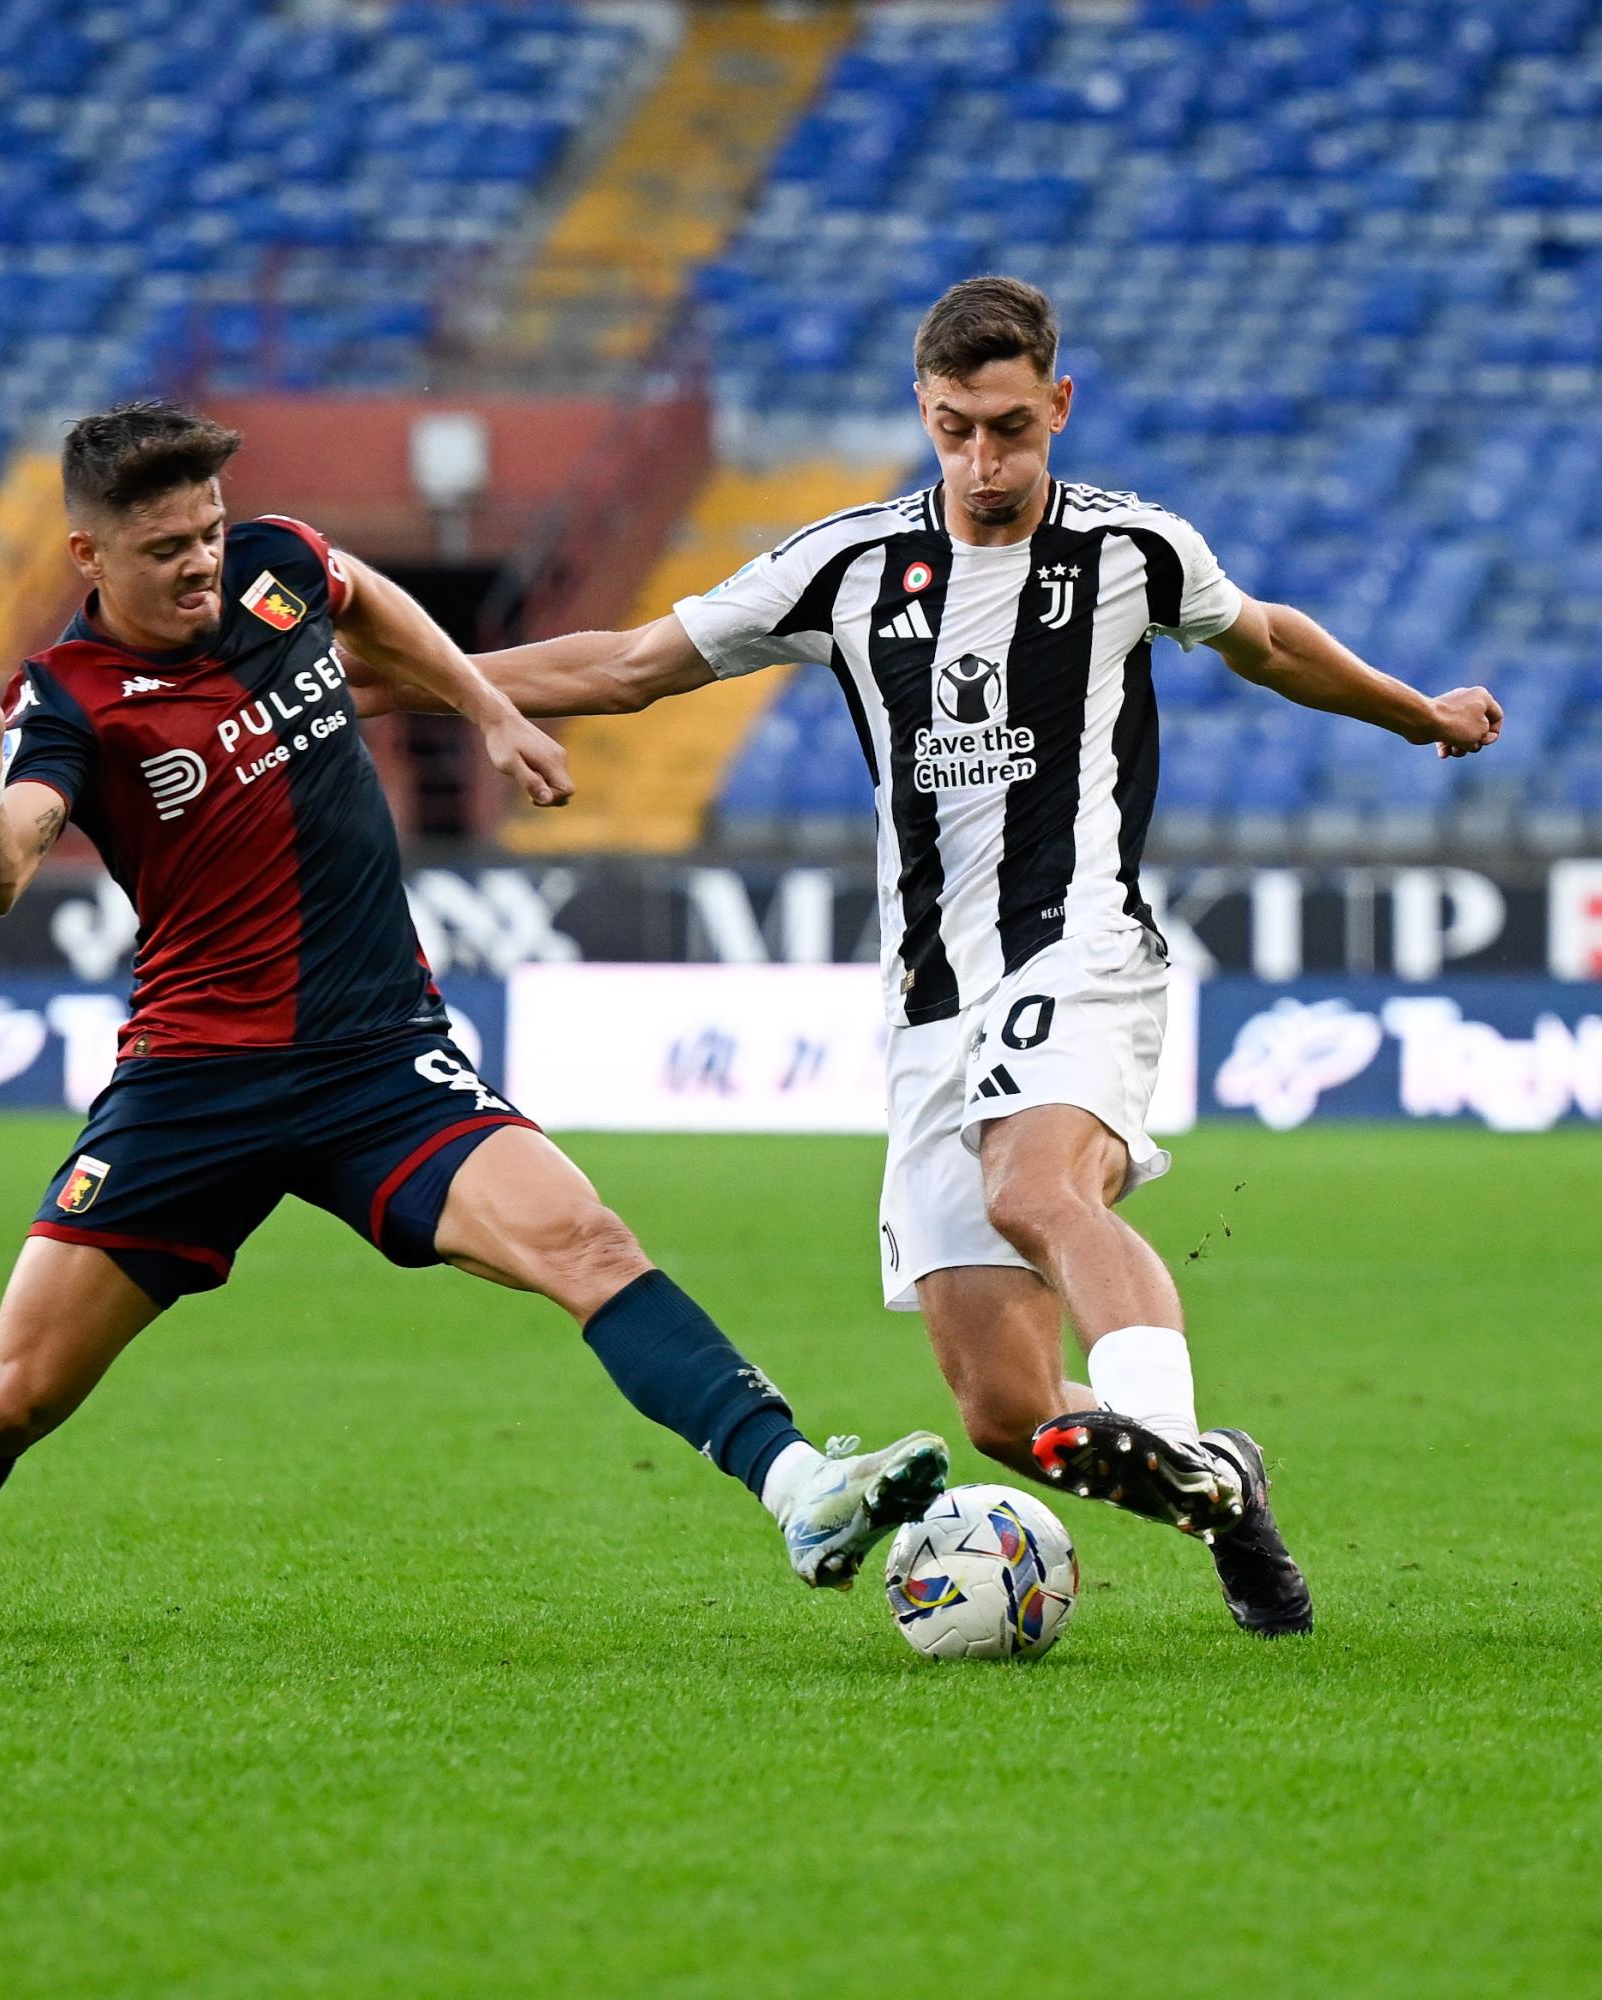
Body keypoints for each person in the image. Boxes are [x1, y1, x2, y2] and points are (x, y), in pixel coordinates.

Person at [0, 401, 946, 1636]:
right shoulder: (68, 702)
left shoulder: (273, 564)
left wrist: (490, 714)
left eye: (209, 530)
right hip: (194, 1086)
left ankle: (798, 1490)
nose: (202, 565)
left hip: (382, 1058)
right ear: (87, 555)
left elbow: (366, 599)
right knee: (13, 1394)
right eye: (166, 550)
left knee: (588, 1242)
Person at [355, 278, 1505, 1638]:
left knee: (1037, 1186)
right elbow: (625, 665)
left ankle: (1173, 1436)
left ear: (1059, 406)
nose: (985, 461)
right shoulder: (843, 569)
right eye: (955, 430)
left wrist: (1411, 712)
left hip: (1083, 951)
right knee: (1007, 1413)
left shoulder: (1133, 550)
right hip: (927, 1005)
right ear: (924, 412)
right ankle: (1228, 1491)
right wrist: (396, 681)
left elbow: (1265, 640)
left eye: (1011, 429)